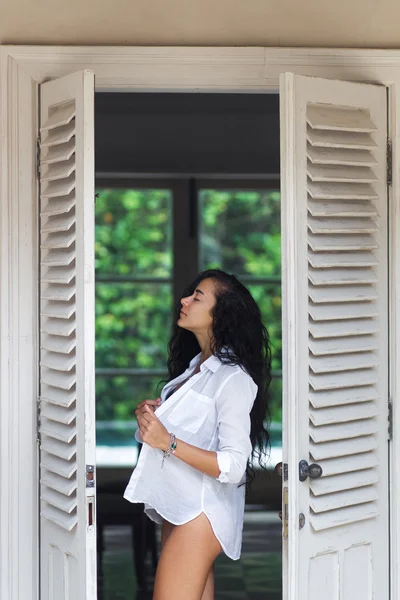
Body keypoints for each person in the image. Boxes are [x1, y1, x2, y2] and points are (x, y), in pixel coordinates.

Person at [124, 269, 272, 600]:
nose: (184, 300)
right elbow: (169, 440)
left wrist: (168, 442)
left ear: (221, 314)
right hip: (179, 505)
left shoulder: (232, 378)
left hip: (200, 512)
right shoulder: (193, 370)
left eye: (197, 297)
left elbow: (233, 466)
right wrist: (149, 424)